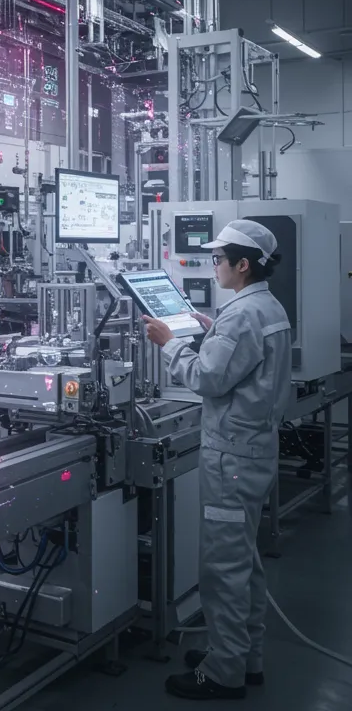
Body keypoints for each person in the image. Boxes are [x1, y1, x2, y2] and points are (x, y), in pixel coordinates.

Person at [142, 220, 291, 701]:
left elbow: (207, 379)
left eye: (218, 259)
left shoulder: (242, 316)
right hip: (253, 451)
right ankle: (244, 657)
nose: (214, 266)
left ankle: (223, 673)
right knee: (242, 561)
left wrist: (170, 344)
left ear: (242, 265)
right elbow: (240, 360)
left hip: (231, 458)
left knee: (223, 569)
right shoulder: (264, 308)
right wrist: (211, 330)